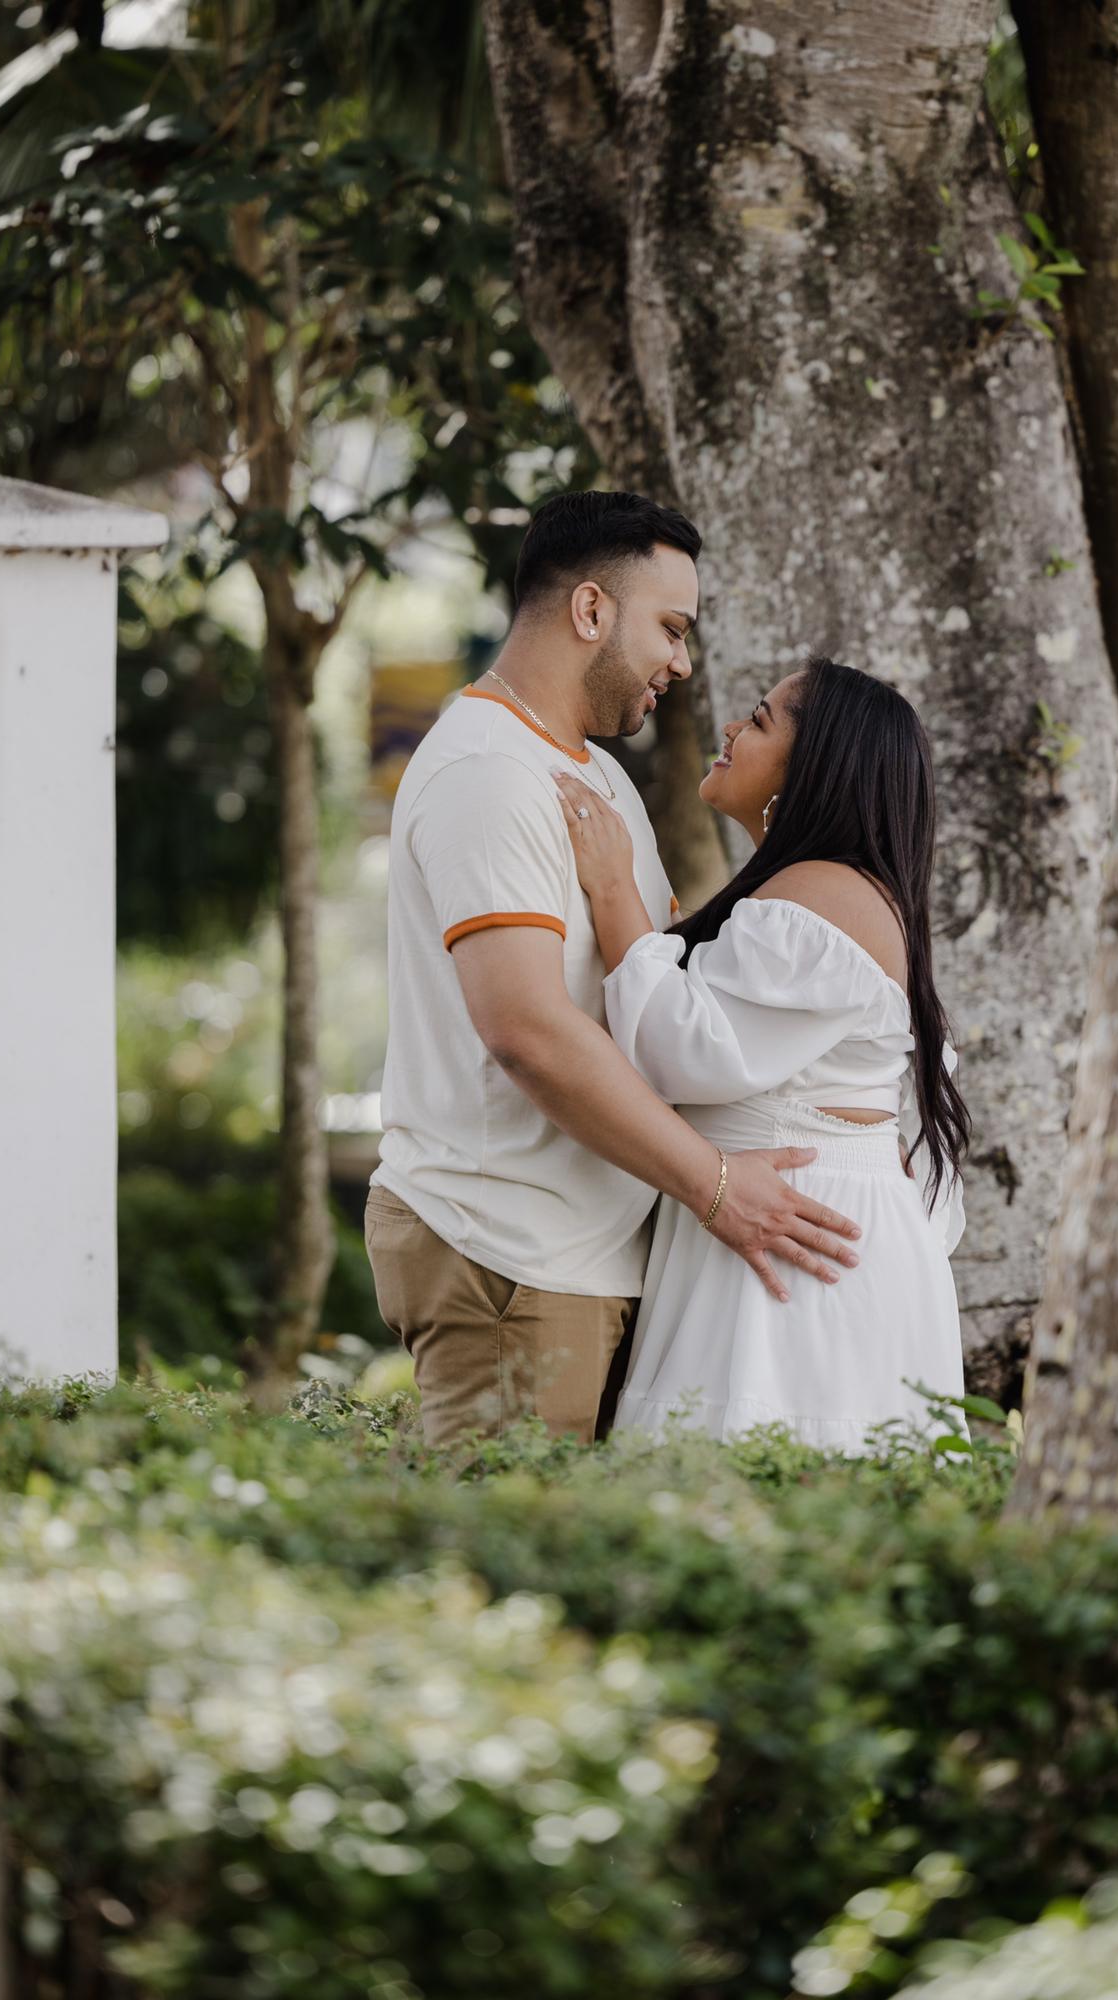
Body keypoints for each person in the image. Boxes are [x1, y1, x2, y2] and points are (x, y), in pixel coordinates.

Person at [363, 493, 863, 1447]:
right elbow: (526, 1030)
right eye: (671, 629)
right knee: (508, 1537)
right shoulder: (490, 772)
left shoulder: (593, 772)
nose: (683, 662)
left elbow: (653, 995)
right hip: (509, 1250)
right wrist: (718, 1187)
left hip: (579, 1254)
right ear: (590, 610)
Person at [552, 658, 970, 1451]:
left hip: (791, 1244)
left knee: (754, 1476)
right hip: (801, 1225)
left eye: (759, 719)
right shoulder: (836, 892)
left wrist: (612, 890)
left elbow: (680, 1050)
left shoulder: (821, 893)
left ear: (813, 767)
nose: (731, 728)